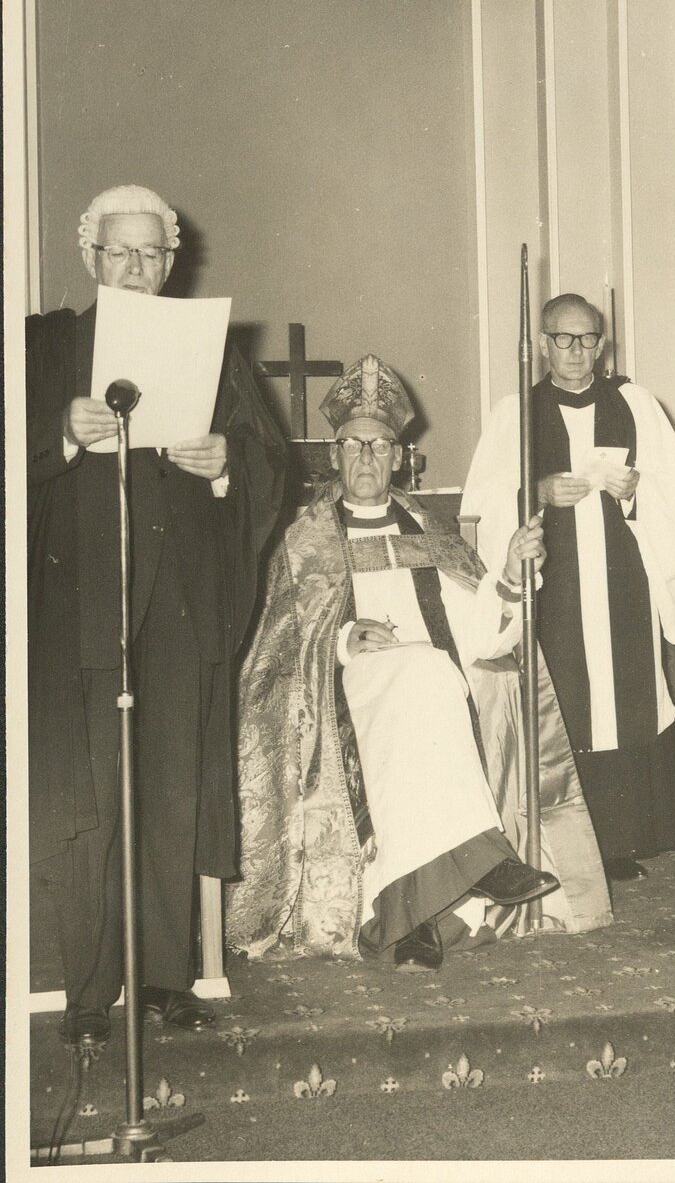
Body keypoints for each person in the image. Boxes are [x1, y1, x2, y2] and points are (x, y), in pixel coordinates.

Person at [227, 353, 612, 972]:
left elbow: (484, 637)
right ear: (333, 456)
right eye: (353, 445)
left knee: (428, 678)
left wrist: (512, 577)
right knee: (426, 674)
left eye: (380, 446)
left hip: (429, 696)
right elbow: (271, 653)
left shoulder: (432, 533)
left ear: (400, 457)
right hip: (339, 694)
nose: (366, 458)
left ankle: (411, 921)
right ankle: (485, 861)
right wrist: (343, 639)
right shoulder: (302, 542)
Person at [27, 184, 286, 1048]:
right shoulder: (46, 346)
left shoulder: (211, 350)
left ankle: (166, 978)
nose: (136, 268)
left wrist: (224, 464)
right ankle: (88, 992)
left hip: (179, 601)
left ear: (171, 263)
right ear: (90, 256)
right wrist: (64, 434)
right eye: (120, 252)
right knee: (93, 798)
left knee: (172, 787)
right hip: (82, 603)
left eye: (151, 253)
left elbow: (269, 465)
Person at [462, 294, 675, 881]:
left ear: (601, 344)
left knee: (622, 699)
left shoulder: (636, 404)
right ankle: (560, 842)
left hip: (623, 579)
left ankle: (618, 841)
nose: (575, 350)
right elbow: (482, 504)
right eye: (563, 339)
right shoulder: (515, 412)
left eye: (587, 339)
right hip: (553, 584)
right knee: (563, 701)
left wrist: (636, 490)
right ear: (543, 344)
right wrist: (537, 492)